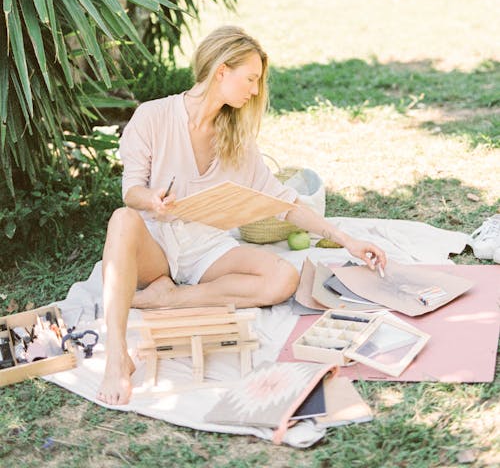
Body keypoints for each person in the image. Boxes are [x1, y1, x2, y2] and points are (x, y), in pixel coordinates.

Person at [97, 25, 386, 405]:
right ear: (221, 71)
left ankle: (170, 299)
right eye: (250, 79)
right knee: (121, 218)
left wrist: (348, 240)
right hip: (156, 244)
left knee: (283, 277)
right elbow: (131, 192)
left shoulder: (236, 139)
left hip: (205, 248)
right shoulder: (152, 117)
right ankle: (117, 355)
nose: (254, 90)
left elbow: (285, 202)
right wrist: (152, 199)